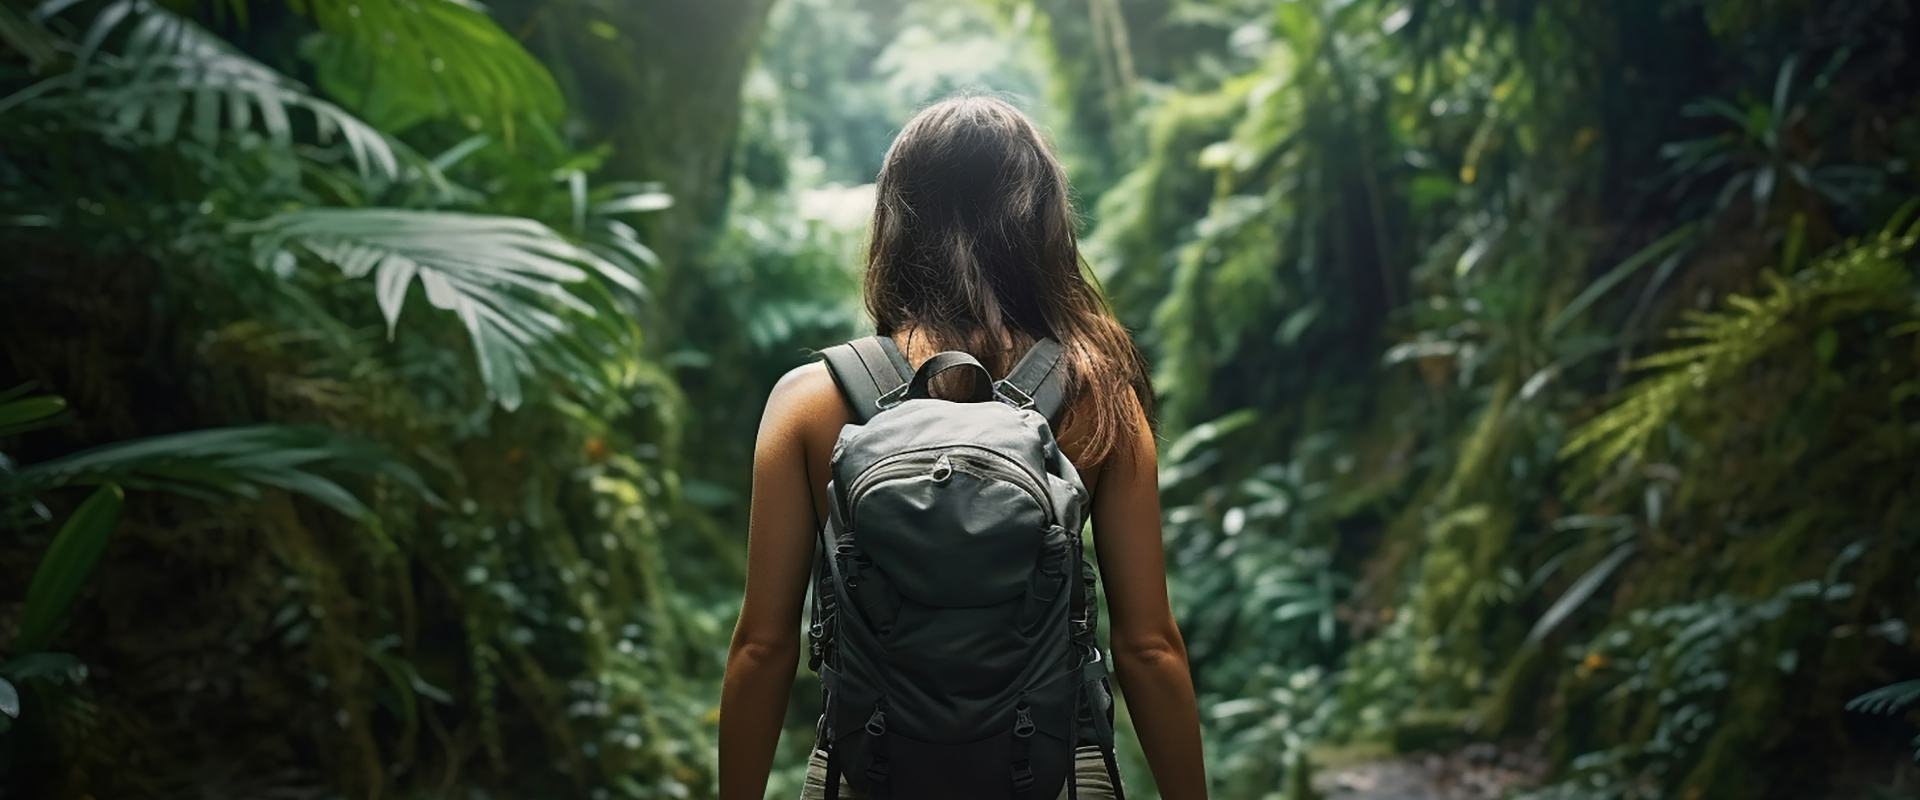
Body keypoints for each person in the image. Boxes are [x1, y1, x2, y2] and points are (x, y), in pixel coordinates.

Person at [718, 94, 1207, 800]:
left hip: (869, 769)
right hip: (1055, 770)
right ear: (1042, 222)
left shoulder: (809, 402)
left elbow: (763, 648)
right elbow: (1148, 647)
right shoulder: (1098, 397)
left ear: (895, 222)